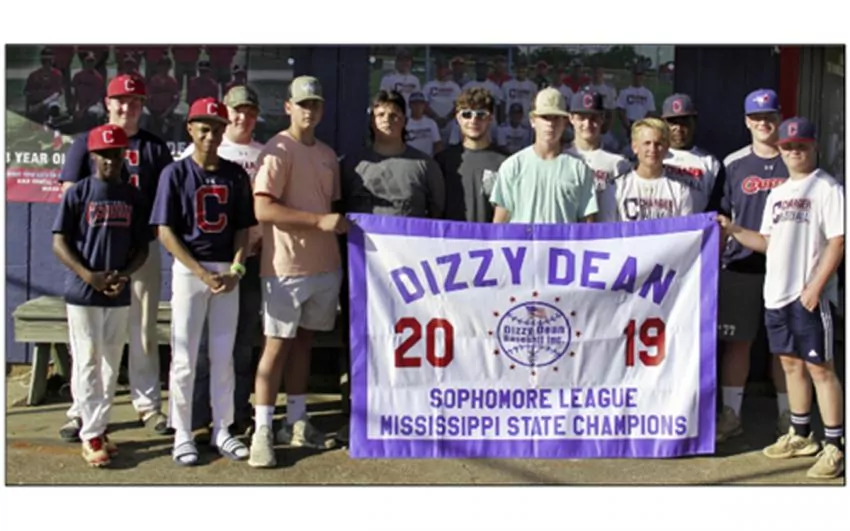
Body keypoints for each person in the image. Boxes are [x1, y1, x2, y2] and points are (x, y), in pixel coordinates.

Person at [718, 117, 845, 479]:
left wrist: (816, 287)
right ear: (781, 149)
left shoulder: (827, 187)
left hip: (808, 296)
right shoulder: (778, 193)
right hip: (776, 295)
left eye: (801, 145)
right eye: (788, 147)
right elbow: (767, 242)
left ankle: (835, 445)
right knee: (790, 366)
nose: (794, 151)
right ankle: (800, 435)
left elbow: (838, 241)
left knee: (821, 369)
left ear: (813, 146)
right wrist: (734, 229)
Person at [58, 74, 174, 442]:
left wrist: (145, 241)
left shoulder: (154, 147)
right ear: (107, 103)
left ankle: (147, 404)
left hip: (140, 249)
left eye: (135, 100)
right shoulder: (86, 142)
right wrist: (86, 262)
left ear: (143, 105)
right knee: (88, 342)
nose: (127, 107)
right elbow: (70, 196)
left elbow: (166, 201)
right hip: (95, 253)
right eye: (120, 100)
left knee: (143, 329)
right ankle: (81, 410)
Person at [150, 97, 256, 466]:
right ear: (190, 129)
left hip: (226, 272)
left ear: (225, 130)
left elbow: (243, 228)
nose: (211, 136)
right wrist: (199, 272)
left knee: (223, 354)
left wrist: (237, 269)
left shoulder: (235, 174)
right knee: (184, 356)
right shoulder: (175, 173)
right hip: (190, 271)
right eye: (204, 128)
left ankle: (222, 428)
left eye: (216, 129)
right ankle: (182, 431)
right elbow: (164, 231)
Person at [248, 76, 347, 468]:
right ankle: (262, 429)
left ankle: (296, 420)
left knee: (304, 343)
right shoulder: (277, 150)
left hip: (325, 266)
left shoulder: (327, 155)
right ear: (288, 107)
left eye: (315, 104)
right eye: (302, 104)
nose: (309, 110)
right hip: (285, 268)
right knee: (276, 346)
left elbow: (330, 208)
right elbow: (263, 209)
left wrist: (326, 223)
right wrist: (318, 221)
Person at [52, 124, 153, 467]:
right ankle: (91, 434)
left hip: (117, 290)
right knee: (87, 359)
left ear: (125, 155)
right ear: (93, 156)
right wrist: (88, 275)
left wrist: (124, 275)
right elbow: (59, 242)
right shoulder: (78, 193)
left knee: (110, 362)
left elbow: (142, 248)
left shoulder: (132, 196)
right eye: (104, 154)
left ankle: (99, 426)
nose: (110, 160)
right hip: (83, 291)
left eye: (116, 154)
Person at [179, 86, 265, 436]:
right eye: (237, 110)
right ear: (226, 114)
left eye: (250, 111)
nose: (243, 117)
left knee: (242, 341)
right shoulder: (197, 151)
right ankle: (199, 416)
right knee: (202, 344)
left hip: (249, 260)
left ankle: (236, 411)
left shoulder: (265, 152)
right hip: (207, 261)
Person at [715, 89, 791, 443]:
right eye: (757, 117)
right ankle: (731, 415)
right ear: (747, 121)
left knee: (785, 347)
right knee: (738, 343)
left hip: (787, 267)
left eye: (770, 116)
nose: (764, 123)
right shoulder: (733, 163)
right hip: (741, 266)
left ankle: (790, 417)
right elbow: (720, 218)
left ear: (779, 117)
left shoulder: (794, 157)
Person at [490, 87, 597, 224]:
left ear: (565, 122)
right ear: (532, 120)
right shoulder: (512, 166)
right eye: (545, 117)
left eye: (556, 118)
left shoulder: (580, 169)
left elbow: (588, 226)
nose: (550, 124)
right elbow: (500, 224)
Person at [436, 87, 508, 223]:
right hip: (451, 236)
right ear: (458, 118)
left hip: (491, 236)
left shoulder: (506, 163)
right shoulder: (442, 161)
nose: (474, 120)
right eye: (467, 114)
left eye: (481, 114)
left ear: (491, 118)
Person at [603, 118, 693, 222]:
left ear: (666, 148)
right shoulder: (616, 187)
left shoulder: (680, 190)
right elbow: (607, 228)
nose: (652, 149)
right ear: (634, 147)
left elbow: (686, 229)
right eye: (647, 143)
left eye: (658, 144)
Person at [564, 90, 633, 222]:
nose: (587, 124)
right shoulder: (562, 158)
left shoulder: (617, 162)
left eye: (594, 118)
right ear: (571, 118)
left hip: (605, 230)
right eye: (581, 118)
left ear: (602, 118)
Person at [659, 94, 723, 213]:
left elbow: (715, 207)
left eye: (684, 122)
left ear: (694, 121)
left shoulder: (710, 162)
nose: (678, 128)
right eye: (673, 122)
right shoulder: (655, 156)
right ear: (663, 123)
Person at [423, 63, 462, 143]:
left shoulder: (455, 87)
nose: (442, 71)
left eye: (444, 68)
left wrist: (447, 119)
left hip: (450, 123)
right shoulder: (428, 86)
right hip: (433, 122)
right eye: (440, 68)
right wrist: (436, 118)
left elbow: (459, 105)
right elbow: (424, 105)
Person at [24, 47, 64, 125]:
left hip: (49, 102)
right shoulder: (34, 75)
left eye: (49, 60)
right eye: (45, 60)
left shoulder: (57, 74)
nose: (47, 62)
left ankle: (51, 122)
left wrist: (42, 104)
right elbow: (27, 93)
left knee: (54, 107)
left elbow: (57, 94)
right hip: (36, 102)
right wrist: (28, 111)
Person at [145, 56, 180, 139]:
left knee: (178, 120)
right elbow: (146, 98)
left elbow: (176, 100)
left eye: (166, 65)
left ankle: (176, 143)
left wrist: (165, 113)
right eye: (161, 65)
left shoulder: (172, 81)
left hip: (168, 112)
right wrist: (151, 110)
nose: (164, 68)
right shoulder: (152, 81)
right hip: (153, 112)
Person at [616, 64, 656, 135]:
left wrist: (642, 125)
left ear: (643, 76)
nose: (638, 77)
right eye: (636, 74)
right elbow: (621, 110)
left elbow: (650, 111)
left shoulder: (648, 94)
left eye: (640, 75)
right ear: (632, 75)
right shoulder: (624, 92)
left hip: (641, 124)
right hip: (627, 123)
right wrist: (628, 126)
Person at [463, 59, 505, 124]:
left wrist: (500, 122)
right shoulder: (468, 86)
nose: (481, 70)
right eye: (479, 67)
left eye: (483, 68)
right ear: (476, 69)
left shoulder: (494, 87)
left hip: (490, 122)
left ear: (487, 70)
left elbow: (499, 106)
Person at [71, 52, 106, 130]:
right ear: (84, 62)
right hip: (82, 106)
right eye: (88, 61)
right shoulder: (77, 76)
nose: (90, 64)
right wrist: (73, 109)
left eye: (92, 61)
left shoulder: (98, 78)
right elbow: (75, 94)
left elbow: (96, 98)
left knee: (92, 113)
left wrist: (83, 110)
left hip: (94, 105)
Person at [405, 91, 442, 156]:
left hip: (427, 158)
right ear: (410, 105)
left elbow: (437, 143)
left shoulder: (431, 123)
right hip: (410, 158)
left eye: (420, 104)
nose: (418, 106)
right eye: (414, 104)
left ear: (424, 105)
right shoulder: (405, 123)